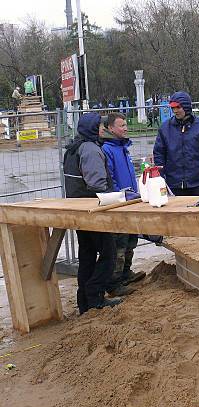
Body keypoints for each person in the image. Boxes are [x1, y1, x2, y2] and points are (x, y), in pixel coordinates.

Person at [63, 113, 122, 314]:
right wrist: (114, 197)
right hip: (93, 210)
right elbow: (96, 183)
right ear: (92, 129)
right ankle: (95, 296)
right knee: (108, 253)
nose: (102, 129)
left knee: (87, 255)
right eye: (99, 126)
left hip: (78, 211)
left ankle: (84, 302)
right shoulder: (90, 149)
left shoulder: (73, 148)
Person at [101, 112, 146, 297]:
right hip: (120, 202)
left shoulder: (122, 147)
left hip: (130, 199)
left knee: (130, 240)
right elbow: (110, 178)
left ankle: (126, 273)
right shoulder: (108, 149)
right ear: (111, 128)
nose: (125, 128)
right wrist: (122, 195)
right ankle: (114, 282)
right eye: (121, 125)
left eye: (126, 125)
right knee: (119, 243)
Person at [153, 91, 199, 195]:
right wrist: (160, 178)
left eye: (178, 107)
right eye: (173, 108)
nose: (175, 111)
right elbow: (159, 155)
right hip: (174, 185)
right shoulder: (165, 129)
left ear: (186, 107)